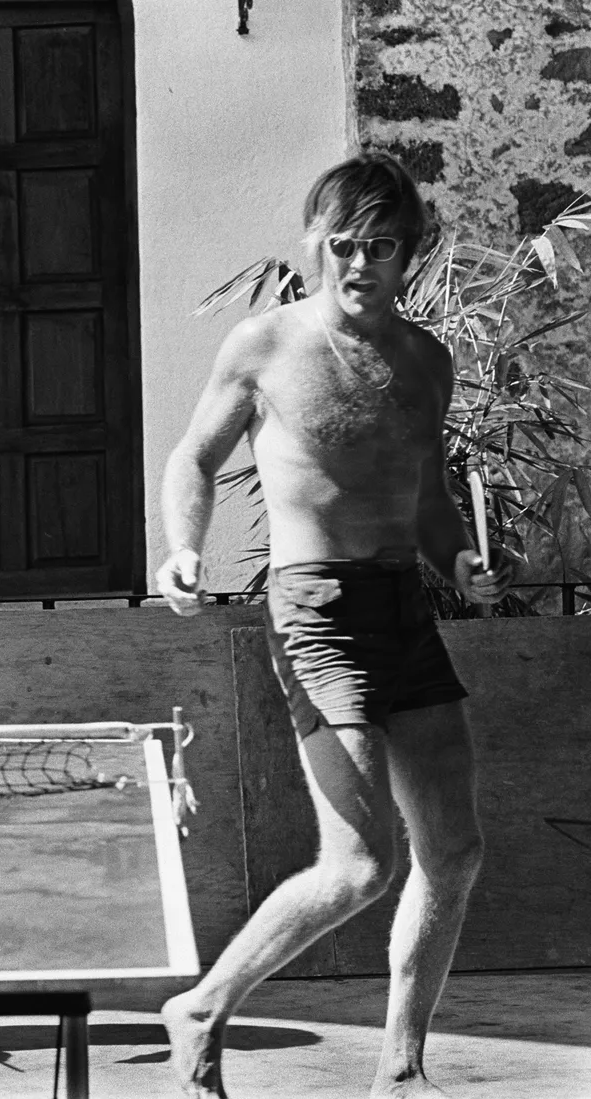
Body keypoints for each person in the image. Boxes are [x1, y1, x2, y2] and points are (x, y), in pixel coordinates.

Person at [154, 152, 510, 1098]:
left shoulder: (425, 359)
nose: (358, 266)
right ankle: (202, 1004)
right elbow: (193, 457)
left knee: (454, 850)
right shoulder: (265, 344)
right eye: (341, 245)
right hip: (312, 608)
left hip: (403, 603)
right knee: (359, 864)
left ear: (409, 254)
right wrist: (181, 550)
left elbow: (429, 498)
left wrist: (460, 557)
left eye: (379, 247)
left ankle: (400, 1066)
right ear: (315, 247)